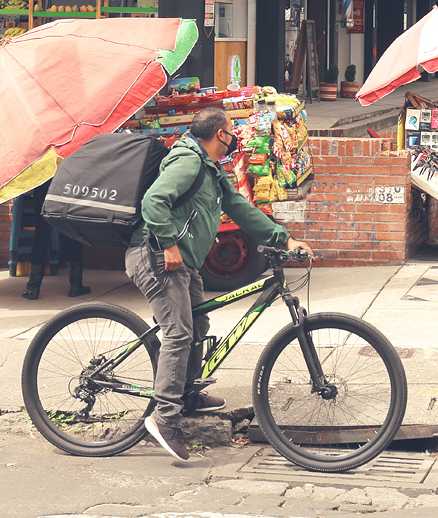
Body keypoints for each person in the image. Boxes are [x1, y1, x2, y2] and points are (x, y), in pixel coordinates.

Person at [127, 107, 312, 461]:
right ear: (219, 136)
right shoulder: (188, 161)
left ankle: (187, 393)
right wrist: (167, 243)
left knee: (198, 325)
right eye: (231, 130)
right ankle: (164, 419)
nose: (235, 136)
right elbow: (154, 202)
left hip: (183, 261)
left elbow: (238, 207)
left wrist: (284, 240)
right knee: (179, 332)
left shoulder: (211, 169)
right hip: (155, 255)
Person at [19, 181, 92, 300]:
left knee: (41, 235)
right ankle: (76, 286)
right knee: (72, 234)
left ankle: (33, 288)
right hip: (69, 186)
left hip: (44, 185)